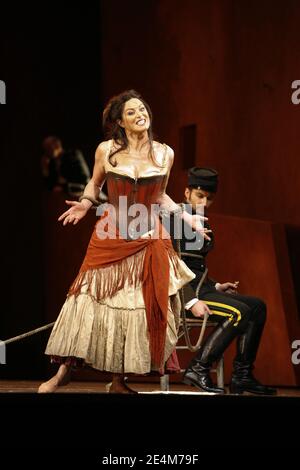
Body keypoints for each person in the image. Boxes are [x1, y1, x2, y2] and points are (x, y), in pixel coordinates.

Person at [38, 90, 209, 394]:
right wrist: (86, 203)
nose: (140, 114)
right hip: (110, 235)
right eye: (131, 112)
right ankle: (64, 371)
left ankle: (118, 381)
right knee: (86, 301)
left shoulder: (164, 153)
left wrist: (187, 217)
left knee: (135, 310)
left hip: (148, 238)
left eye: (142, 109)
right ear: (119, 121)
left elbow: (159, 195)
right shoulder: (107, 150)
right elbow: (95, 182)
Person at [169, 167, 277, 395]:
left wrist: (215, 286)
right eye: (200, 196)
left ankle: (242, 376)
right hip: (182, 293)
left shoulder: (200, 220)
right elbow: (167, 266)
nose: (205, 202)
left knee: (257, 307)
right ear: (187, 192)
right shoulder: (175, 219)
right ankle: (198, 368)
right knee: (239, 313)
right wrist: (189, 301)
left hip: (201, 288)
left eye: (209, 198)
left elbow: (195, 267)